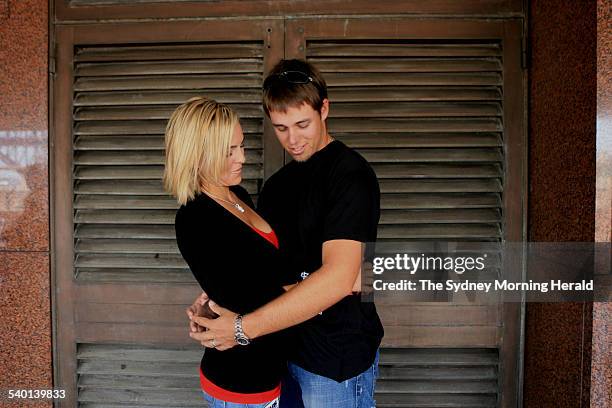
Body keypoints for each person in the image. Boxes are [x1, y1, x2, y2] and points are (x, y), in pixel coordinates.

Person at [188, 59, 384, 408]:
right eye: (280, 128)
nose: (292, 140)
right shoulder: (277, 186)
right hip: (280, 352)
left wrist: (240, 329)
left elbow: (341, 278)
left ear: (324, 108)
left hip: (332, 359)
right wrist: (216, 296)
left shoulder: (350, 176)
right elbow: (262, 263)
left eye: (302, 124)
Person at [164, 97, 295, 408]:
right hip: (242, 383)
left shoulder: (237, 194)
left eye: (241, 146)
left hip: (273, 369)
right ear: (197, 156)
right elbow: (255, 299)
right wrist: (335, 283)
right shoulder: (195, 218)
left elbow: (251, 270)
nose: (242, 158)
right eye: (228, 151)